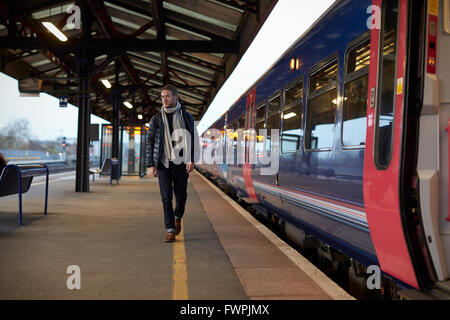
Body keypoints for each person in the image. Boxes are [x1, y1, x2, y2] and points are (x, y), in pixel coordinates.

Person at [146, 84, 195, 242]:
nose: (164, 99)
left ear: (175, 97)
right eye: (162, 97)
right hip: (163, 163)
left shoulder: (186, 117)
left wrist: (191, 158)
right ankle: (170, 229)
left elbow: (192, 139)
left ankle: (178, 216)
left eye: (167, 96)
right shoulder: (157, 118)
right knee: (166, 197)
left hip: (180, 162)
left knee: (181, 196)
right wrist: (151, 164)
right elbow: (150, 141)